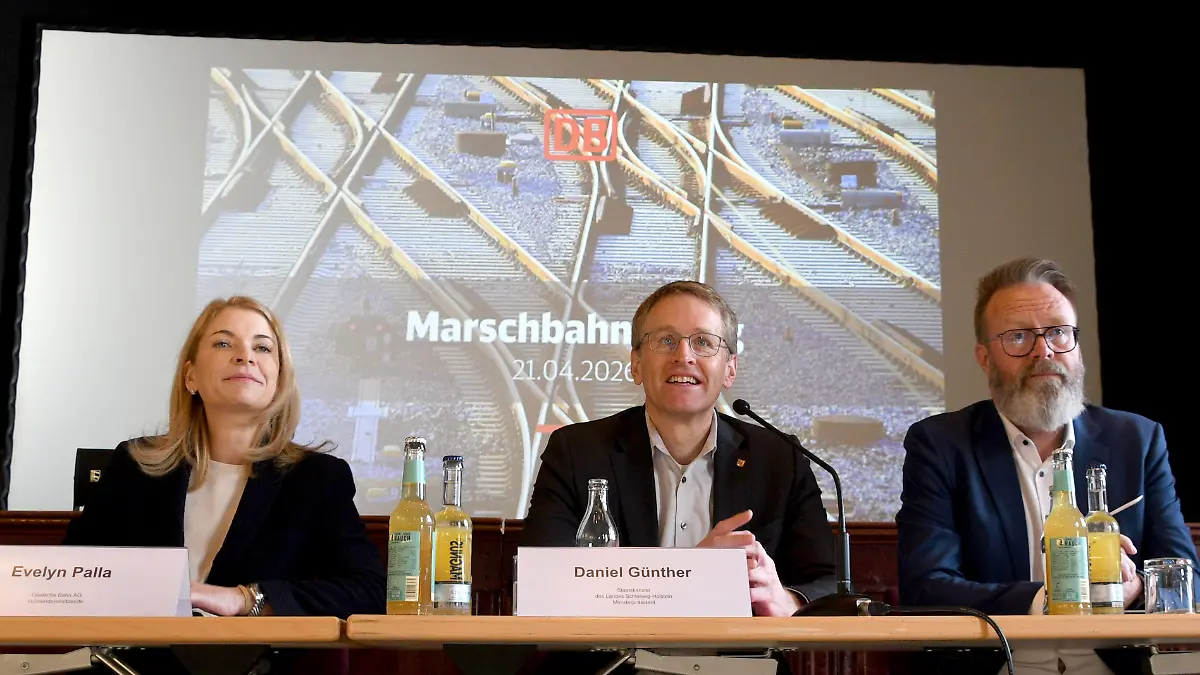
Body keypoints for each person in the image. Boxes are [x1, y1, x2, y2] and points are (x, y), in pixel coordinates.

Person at [896, 258, 1197, 675]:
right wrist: (1050, 599)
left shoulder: (1137, 440)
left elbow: (1185, 577)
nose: (1044, 351)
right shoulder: (942, 445)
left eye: (1058, 332)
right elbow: (926, 588)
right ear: (985, 358)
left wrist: (1133, 587)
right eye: (1019, 337)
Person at [521, 281, 835, 671]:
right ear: (636, 364)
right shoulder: (577, 452)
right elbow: (543, 585)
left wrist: (787, 601)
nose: (684, 356)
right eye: (665, 341)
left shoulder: (780, 458)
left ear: (731, 368)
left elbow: (828, 583)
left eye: (704, 342)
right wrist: (691, 575)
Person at [63, 296, 384, 673]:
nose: (245, 356)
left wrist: (246, 599)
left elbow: (369, 591)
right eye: (223, 343)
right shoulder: (134, 465)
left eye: (262, 347)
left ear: (279, 380)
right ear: (191, 376)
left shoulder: (317, 478)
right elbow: (72, 576)